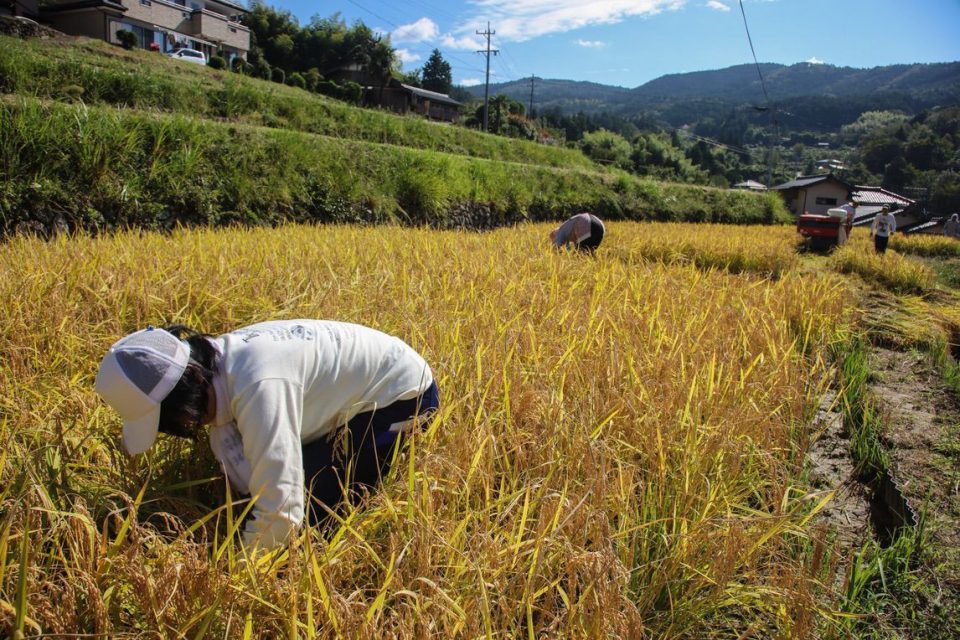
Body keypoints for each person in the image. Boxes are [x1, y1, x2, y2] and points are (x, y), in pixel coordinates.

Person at [95, 320, 438, 549]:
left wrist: (237, 575)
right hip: (348, 392)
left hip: (403, 396)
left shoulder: (258, 386)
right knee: (259, 477)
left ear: (185, 402)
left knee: (318, 513)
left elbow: (283, 514)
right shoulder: (220, 360)